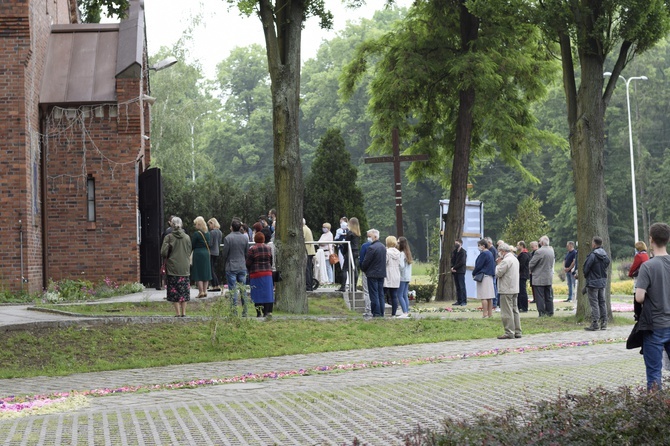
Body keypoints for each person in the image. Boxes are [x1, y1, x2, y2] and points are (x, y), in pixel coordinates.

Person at [635, 223, 670, 390]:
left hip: (654, 326)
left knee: (655, 374)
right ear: (667, 240)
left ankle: (656, 410)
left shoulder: (648, 266)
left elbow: (640, 297)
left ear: (651, 240)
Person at [161, 217, 192, 317]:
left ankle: (177, 313)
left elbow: (163, 252)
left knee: (174, 290)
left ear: (172, 225)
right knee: (184, 290)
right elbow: (189, 250)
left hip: (172, 267)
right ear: (181, 224)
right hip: (184, 267)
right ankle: (184, 312)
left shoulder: (168, 237)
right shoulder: (187, 237)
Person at [221, 218, 249, 316]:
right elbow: (246, 252)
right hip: (242, 266)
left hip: (231, 266)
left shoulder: (228, 238)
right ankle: (245, 311)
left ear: (231, 228)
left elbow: (225, 253)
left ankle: (234, 311)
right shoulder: (245, 238)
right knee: (243, 289)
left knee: (233, 290)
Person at [583, 236, 611, 331]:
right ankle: (604, 322)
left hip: (593, 282)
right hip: (602, 281)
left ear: (594, 244)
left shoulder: (593, 255)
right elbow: (607, 263)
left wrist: (587, 276)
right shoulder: (605, 255)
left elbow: (586, 268)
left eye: (592, 242)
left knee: (594, 303)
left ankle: (595, 323)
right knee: (602, 302)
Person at [495, 243, 521, 339]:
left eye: (499, 251)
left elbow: (498, 273)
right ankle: (517, 331)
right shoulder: (515, 259)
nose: (499, 254)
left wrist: (498, 265)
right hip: (514, 288)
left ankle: (509, 332)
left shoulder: (506, 261)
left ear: (502, 251)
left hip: (506, 289)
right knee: (515, 310)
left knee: (507, 311)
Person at [247, 232, 274, 318]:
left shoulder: (252, 249)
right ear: (263, 239)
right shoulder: (268, 248)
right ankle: (266, 312)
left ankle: (258, 313)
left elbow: (248, 262)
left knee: (257, 293)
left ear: (255, 239)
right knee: (267, 293)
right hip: (267, 273)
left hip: (256, 273)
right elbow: (271, 260)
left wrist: (249, 269)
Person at [360, 229, 386, 317]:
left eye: (369, 236)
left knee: (374, 294)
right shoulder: (383, 247)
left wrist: (363, 268)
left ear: (375, 237)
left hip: (372, 273)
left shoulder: (371, 248)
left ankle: (376, 312)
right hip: (381, 273)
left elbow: (366, 261)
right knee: (380, 294)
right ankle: (381, 312)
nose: (368, 238)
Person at [529, 235, 555, 317]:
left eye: (540, 241)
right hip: (548, 277)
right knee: (548, 296)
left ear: (543, 242)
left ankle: (542, 312)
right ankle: (550, 311)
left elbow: (532, 263)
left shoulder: (539, 252)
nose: (539, 242)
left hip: (539, 277)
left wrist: (531, 270)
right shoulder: (551, 251)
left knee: (539, 296)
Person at [472, 239, 496, 318]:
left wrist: (474, 272)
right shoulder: (490, 253)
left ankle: (485, 314)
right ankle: (490, 313)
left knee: (484, 296)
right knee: (490, 297)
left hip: (484, 276)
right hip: (490, 276)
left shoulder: (483, 254)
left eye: (479, 245)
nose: (478, 247)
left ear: (483, 245)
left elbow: (479, 265)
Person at [191, 216, 212, 298]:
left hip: (198, 253)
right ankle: (205, 290)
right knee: (205, 272)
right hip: (206, 253)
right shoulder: (208, 233)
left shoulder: (196, 234)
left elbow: (192, 245)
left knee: (198, 272)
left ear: (198, 224)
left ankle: (201, 291)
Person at [339, 217, 361, 292]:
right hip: (356, 251)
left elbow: (346, 244)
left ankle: (343, 286)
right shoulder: (357, 233)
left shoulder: (350, 233)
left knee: (345, 269)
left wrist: (344, 252)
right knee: (354, 269)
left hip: (350, 251)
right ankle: (354, 286)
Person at [384, 235, 402, 317]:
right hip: (396, 274)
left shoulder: (387, 252)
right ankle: (394, 313)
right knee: (394, 295)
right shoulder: (398, 253)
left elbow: (385, 262)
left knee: (383, 294)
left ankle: (382, 311)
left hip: (388, 273)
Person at [358, 230, 374, 318]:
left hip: (366, 271)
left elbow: (361, 259)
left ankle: (368, 310)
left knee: (367, 291)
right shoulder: (381, 246)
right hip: (376, 272)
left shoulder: (365, 246)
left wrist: (362, 268)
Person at [397, 236, 413, 317]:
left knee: (399, 295)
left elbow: (401, 266)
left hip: (402, 277)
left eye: (398, 243)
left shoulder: (401, 254)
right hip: (407, 277)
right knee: (405, 295)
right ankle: (407, 311)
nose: (397, 244)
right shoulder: (408, 253)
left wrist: (398, 270)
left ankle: (404, 312)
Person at [207, 218, 223, 293]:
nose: (209, 226)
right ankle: (217, 284)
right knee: (213, 268)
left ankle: (215, 285)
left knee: (211, 269)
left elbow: (210, 243)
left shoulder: (212, 232)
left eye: (209, 224)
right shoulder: (220, 232)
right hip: (217, 252)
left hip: (211, 252)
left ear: (212, 224)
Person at [451, 239, 467, 306]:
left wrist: (455, 267)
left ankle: (464, 301)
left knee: (462, 286)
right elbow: (452, 260)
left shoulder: (463, 252)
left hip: (460, 271)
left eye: (457, 243)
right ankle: (459, 300)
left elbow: (462, 262)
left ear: (460, 243)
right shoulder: (455, 252)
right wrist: (452, 267)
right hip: (455, 272)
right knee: (457, 287)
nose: (455, 244)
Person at [486, 237, 500, 311]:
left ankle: (494, 302)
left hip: (492, 271)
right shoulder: (490, 250)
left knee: (494, 287)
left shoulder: (492, 250)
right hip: (492, 270)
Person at [516, 241, 530, 312]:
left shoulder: (524, 254)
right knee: (521, 291)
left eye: (518, 245)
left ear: (521, 245)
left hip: (522, 275)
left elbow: (521, 265)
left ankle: (524, 307)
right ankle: (520, 306)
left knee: (522, 291)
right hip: (522, 274)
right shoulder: (525, 254)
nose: (517, 247)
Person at [303, 218, 316, 291]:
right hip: (310, 250)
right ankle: (310, 284)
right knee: (309, 268)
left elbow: (301, 238)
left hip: (307, 251)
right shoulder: (306, 228)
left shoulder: (303, 229)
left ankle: (308, 285)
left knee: (307, 268)